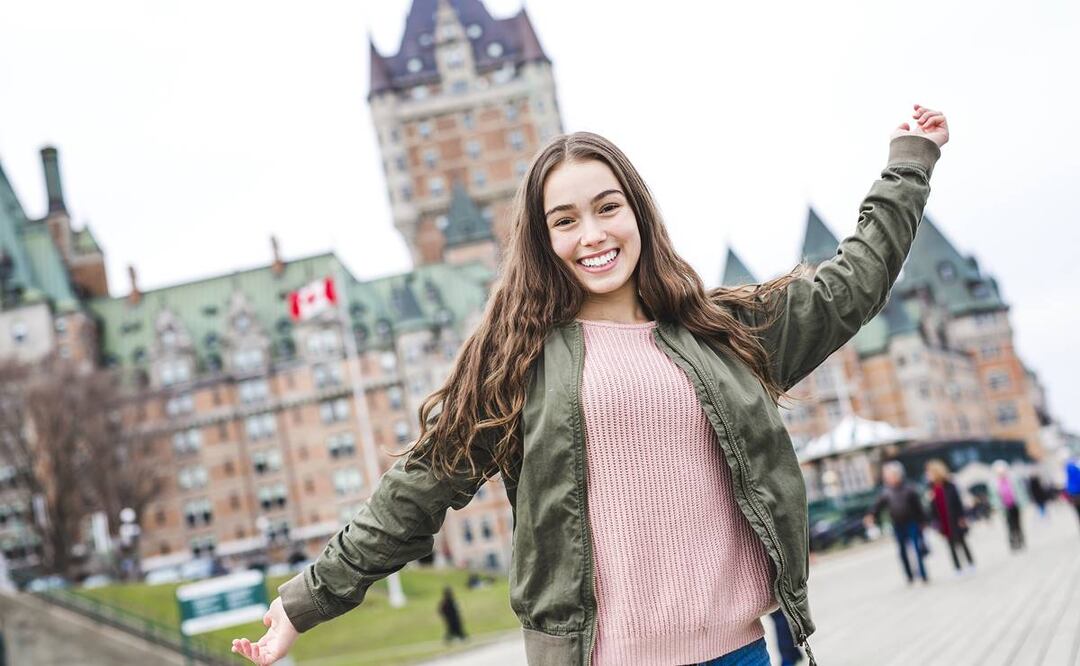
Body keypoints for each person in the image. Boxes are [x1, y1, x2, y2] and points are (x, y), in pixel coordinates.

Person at [232, 106, 948, 666]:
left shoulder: (721, 333)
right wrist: (303, 603)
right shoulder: (514, 363)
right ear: (544, 242)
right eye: (564, 220)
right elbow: (414, 492)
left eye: (607, 207)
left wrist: (907, 163)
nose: (592, 234)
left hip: (740, 655)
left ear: (636, 211)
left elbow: (852, 284)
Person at [866, 461, 930, 585]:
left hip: (911, 522)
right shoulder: (886, 492)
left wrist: (923, 521)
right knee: (902, 552)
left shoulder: (910, 489)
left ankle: (923, 574)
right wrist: (871, 515)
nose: (888, 478)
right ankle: (909, 576)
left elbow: (919, 507)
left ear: (898, 475)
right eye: (887, 476)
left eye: (890, 475)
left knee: (917, 549)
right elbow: (878, 506)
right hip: (898, 524)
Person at [925, 459, 974, 574]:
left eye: (929, 473)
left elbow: (958, 503)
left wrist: (962, 517)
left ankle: (970, 563)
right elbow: (932, 510)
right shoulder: (931, 489)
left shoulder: (950, 485)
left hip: (955, 518)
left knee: (962, 542)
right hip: (944, 521)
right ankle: (958, 568)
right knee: (950, 546)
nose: (928, 475)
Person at [992, 460, 1025, 551]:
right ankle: (1013, 543)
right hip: (1005, 508)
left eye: (1002, 471)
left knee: (1018, 524)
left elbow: (1019, 491)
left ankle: (1021, 540)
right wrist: (997, 507)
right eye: (999, 472)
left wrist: (1022, 503)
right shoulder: (994, 484)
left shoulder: (1012, 479)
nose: (1001, 473)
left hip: (1014, 505)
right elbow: (994, 498)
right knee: (1010, 526)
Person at [1064, 457, 1080, 532]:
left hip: (1075, 498)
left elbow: (1068, 491)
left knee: (1078, 513)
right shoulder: (1077, 473)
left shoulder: (1068, 479)